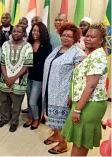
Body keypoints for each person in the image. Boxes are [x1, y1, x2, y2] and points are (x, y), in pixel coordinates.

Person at [62, 22, 108, 156]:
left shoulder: (98, 57)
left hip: (90, 103)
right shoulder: (90, 54)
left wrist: (77, 109)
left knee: (80, 142)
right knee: (79, 140)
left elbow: (90, 86)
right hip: (84, 102)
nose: (88, 39)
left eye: (92, 37)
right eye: (87, 36)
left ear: (101, 41)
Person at [42, 22, 85, 154]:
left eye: (69, 36)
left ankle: (63, 144)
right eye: (63, 35)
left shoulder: (78, 54)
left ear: (75, 38)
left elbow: (80, 77)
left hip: (63, 91)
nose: (65, 38)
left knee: (61, 119)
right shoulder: (57, 49)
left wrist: (72, 94)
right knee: (52, 115)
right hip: (50, 88)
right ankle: (56, 135)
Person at [0, 25, 33, 132]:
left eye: (19, 32)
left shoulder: (27, 46)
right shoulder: (5, 44)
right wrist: (7, 77)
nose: (16, 33)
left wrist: (14, 78)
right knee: (4, 101)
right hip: (5, 79)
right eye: (14, 31)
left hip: (19, 81)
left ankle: (14, 122)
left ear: (23, 33)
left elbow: (27, 65)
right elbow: (2, 62)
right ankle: (4, 119)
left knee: (16, 104)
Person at [23, 22, 52, 130]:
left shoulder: (47, 46)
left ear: (42, 33)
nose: (35, 33)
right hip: (28, 76)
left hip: (39, 78)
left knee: (32, 101)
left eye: (38, 31)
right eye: (34, 30)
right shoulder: (28, 44)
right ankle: (30, 118)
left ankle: (36, 119)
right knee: (29, 99)